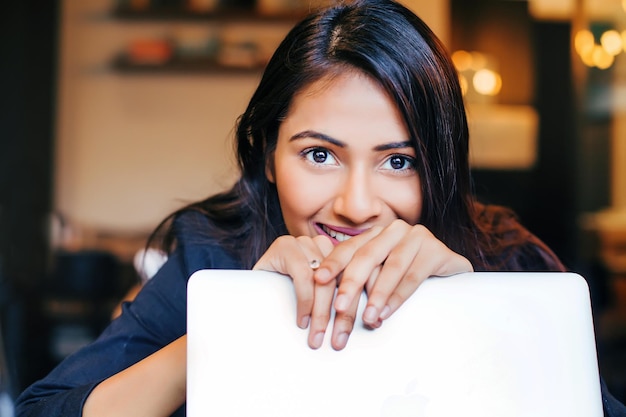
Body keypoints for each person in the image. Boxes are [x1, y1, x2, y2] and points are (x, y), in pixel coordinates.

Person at [15, 1, 626, 416]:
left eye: (398, 161)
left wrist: (470, 309)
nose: (357, 206)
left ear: (440, 166)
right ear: (268, 150)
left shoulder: (506, 261)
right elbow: (49, 407)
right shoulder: (215, 251)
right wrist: (234, 325)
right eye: (319, 155)